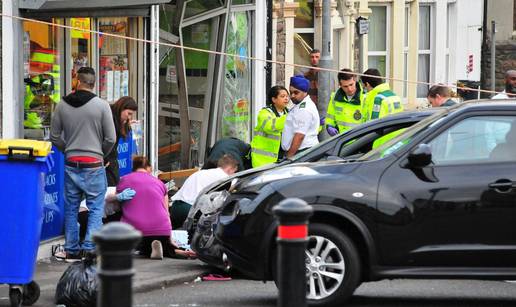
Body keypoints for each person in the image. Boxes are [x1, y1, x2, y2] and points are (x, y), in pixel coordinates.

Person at [50, 66, 116, 262]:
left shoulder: (62, 105)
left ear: (77, 81)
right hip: (94, 164)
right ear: (94, 83)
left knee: (71, 208)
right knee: (95, 207)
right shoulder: (102, 106)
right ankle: (89, 247)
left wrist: (68, 149)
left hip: (71, 163)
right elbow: (111, 138)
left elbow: (54, 136)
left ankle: (71, 249)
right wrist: (100, 154)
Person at [117, 156, 195, 260]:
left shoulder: (124, 180)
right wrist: (169, 237)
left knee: (142, 245)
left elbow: (116, 205)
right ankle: (178, 250)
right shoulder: (160, 183)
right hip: (161, 228)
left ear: (133, 167)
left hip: (133, 229)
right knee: (159, 243)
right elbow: (167, 213)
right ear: (149, 168)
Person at [170, 154, 239, 229]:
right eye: (234, 172)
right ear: (230, 168)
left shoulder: (203, 172)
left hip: (176, 207)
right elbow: (237, 184)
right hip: (190, 210)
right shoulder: (223, 176)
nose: (233, 174)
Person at [282, 75, 320, 158]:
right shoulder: (300, 105)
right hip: (301, 151)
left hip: (301, 152)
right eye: (290, 92)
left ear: (305, 92)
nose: (292, 96)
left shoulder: (304, 109)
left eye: (296, 92)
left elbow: (299, 136)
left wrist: (289, 158)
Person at [251, 85, 289, 167]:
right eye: (282, 96)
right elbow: (270, 126)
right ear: (274, 99)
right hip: (263, 160)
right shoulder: (264, 113)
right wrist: (289, 117)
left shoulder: (288, 113)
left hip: (282, 158)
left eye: (287, 96)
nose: (286, 98)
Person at [105, 96, 138, 186]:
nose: (129, 117)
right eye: (129, 113)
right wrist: (105, 160)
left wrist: (126, 125)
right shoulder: (109, 117)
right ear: (122, 108)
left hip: (110, 159)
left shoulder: (118, 119)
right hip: (106, 160)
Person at [325, 69, 365, 136]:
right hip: (342, 140)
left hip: (360, 141)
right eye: (345, 86)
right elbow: (330, 117)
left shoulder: (365, 97)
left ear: (355, 81)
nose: (349, 89)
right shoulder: (335, 98)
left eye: (351, 84)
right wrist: (329, 126)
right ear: (340, 85)